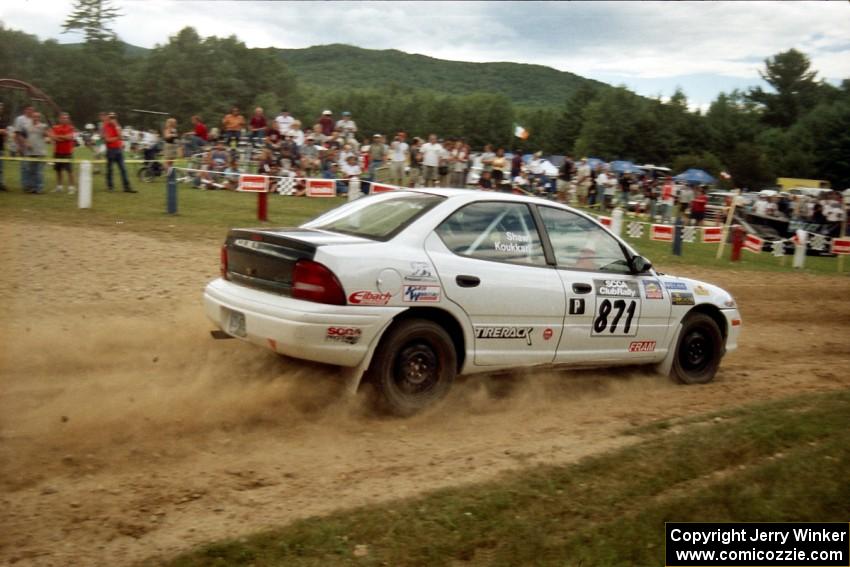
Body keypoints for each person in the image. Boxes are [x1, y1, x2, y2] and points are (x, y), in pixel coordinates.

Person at [102, 112, 136, 193]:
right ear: (108, 118)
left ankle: (126, 187)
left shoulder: (117, 125)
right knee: (110, 169)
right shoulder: (105, 126)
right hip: (111, 150)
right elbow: (107, 140)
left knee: (123, 169)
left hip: (118, 149)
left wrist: (116, 128)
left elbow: (120, 136)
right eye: (111, 117)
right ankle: (110, 187)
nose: (113, 119)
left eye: (114, 117)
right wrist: (117, 137)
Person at [50, 112, 77, 193]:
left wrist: (59, 137)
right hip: (57, 152)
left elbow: (69, 137)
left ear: (68, 119)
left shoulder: (71, 128)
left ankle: (71, 188)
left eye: (66, 118)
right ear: (59, 119)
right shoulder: (55, 127)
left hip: (67, 152)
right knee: (58, 170)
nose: (65, 119)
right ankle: (59, 187)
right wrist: (63, 137)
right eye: (63, 118)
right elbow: (53, 138)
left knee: (69, 170)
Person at [24, 111, 49, 194]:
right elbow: (25, 137)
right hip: (31, 152)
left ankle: (39, 188)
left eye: (37, 117)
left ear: (39, 118)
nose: (36, 118)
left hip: (40, 152)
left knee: (39, 171)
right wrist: (26, 143)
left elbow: (47, 135)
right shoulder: (28, 126)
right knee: (31, 171)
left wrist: (46, 134)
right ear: (32, 117)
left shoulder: (42, 126)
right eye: (34, 116)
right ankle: (33, 188)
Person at [13, 105, 34, 192]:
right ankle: (26, 186)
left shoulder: (33, 120)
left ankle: (31, 184)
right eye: (29, 109)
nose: (31, 111)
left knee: (32, 166)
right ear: (25, 110)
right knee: (25, 167)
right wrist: (20, 145)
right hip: (23, 147)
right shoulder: (20, 119)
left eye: (32, 110)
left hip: (33, 147)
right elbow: (17, 133)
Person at [0, 102, 7, 191]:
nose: (1, 109)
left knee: (0, 168)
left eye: (1, 108)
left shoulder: (3, 119)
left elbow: (5, 132)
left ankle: (1, 184)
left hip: (0, 146)